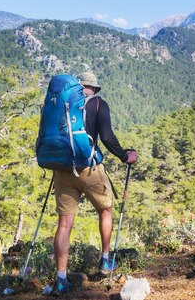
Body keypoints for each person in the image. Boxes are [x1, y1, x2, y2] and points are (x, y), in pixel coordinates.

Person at [51, 71, 137, 296]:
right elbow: (107, 137)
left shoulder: (62, 103)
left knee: (64, 224)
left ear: (78, 87)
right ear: (95, 88)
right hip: (88, 168)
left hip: (61, 169)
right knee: (106, 209)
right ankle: (106, 261)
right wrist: (124, 156)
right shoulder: (98, 104)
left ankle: (60, 279)